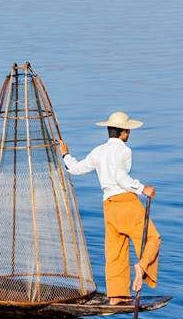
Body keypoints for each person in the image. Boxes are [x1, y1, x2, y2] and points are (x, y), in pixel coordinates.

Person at [58, 112, 160, 305]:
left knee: (116, 252)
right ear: (123, 132)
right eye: (127, 130)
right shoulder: (124, 150)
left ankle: (117, 296)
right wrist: (142, 188)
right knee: (153, 239)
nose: (129, 132)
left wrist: (66, 154)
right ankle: (142, 267)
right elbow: (121, 177)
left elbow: (75, 169)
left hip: (109, 206)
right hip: (126, 202)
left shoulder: (98, 151)